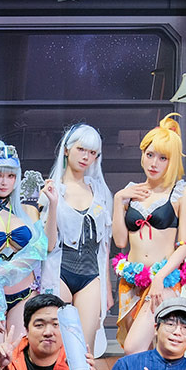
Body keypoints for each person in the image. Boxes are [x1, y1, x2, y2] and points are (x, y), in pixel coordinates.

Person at [111, 113, 186, 356]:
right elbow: (120, 241)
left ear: (173, 162)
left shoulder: (181, 193)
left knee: (134, 348)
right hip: (131, 281)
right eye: (150, 155)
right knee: (143, 352)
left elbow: (185, 245)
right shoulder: (131, 191)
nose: (154, 163)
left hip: (163, 281)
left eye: (163, 158)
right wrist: (118, 200)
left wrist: (160, 277)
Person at [0, 140, 56, 354]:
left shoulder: (29, 211)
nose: (4, 182)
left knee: (19, 360)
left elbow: (45, 249)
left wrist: (54, 205)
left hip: (24, 294)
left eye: (11, 175)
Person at [43, 124, 114, 351]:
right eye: (81, 149)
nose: (86, 157)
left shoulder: (100, 191)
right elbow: (48, 245)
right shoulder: (53, 189)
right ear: (67, 149)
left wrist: (107, 287)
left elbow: (105, 244)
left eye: (92, 152)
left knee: (85, 350)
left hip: (91, 275)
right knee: (57, 348)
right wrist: (53, 205)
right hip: (60, 272)